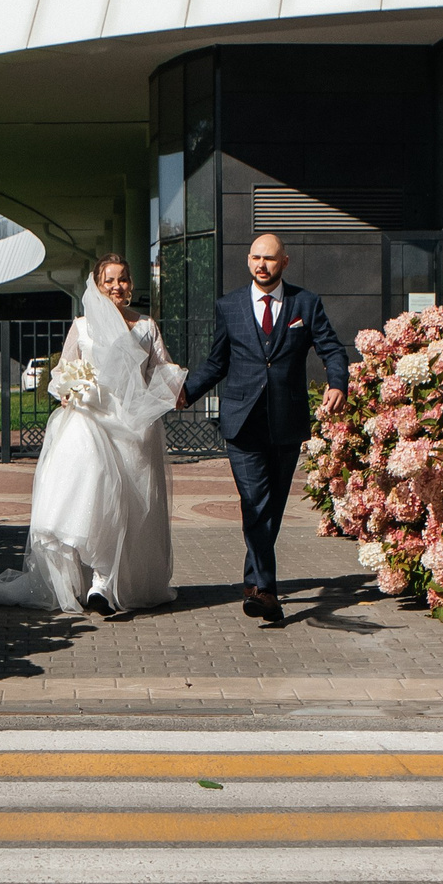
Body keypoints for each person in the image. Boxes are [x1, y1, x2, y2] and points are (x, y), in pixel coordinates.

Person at [0, 254, 184, 616]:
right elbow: (62, 369)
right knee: (91, 497)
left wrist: (177, 385)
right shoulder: (83, 325)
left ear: (131, 284)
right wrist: (65, 388)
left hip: (134, 428)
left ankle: (104, 586)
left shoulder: (145, 326)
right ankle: (86, 580)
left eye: (123, 279)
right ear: (96, 285)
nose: (116, 286)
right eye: (109, 280)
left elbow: (163, 367)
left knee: (128, 505)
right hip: (89, 419)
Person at [177, 234, 349, 622]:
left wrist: (338, 382)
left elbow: (331, 348)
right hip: (242, 423)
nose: (262, 265)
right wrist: (186, 392)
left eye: (270, 259)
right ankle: (263, 590)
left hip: (286, 423)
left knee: (270, 507)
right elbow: (217, 361)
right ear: (247, 260)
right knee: (254, 504)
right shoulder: (230, 305)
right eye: (255, 257)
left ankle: (255, 583)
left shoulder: (306, 303)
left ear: (284, 262)